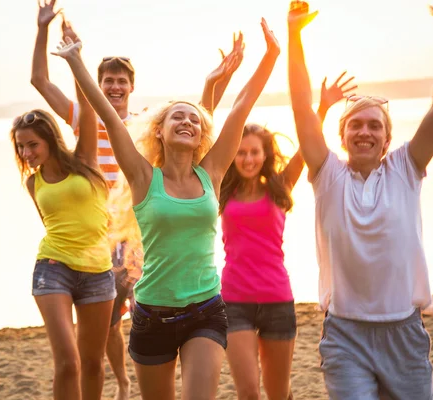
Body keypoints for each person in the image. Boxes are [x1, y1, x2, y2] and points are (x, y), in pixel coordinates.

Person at [51, 18, 280, 400]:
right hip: (152, 313)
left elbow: (241, 107)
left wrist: (270, 56)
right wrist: (76, 61)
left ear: (200, 134)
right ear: (159, 129)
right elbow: (109, 117)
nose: (187, 120)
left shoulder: (213, 171)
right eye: (178, 115)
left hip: (205, 309)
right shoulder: (143, 177)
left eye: (194, 118)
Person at [287, 0, 433, 398]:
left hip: (403, 333)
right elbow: (302, 108)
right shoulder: (327, 174)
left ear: (388, 139)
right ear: (341, 135)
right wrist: (294, 35)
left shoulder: (406, 168)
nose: (364, 132)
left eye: (374, 126)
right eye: (355, 124)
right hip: (345, 335)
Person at [219, 74, 355, 400]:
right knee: (248, 391)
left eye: (254, 152)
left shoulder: (279, 188)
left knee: (279, 392)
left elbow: (306, 148)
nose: (248, 159)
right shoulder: (221, 189)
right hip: (234, 300)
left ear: (264, 154)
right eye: (241, 153)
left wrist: (321, 107)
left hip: (276, 299)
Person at [29, 3, 136, 397]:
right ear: (99, 83)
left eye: (121, 80)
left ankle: (124, 380)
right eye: (107, 80)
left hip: (129, 240)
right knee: (107, 325)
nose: (114, 87)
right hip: (90, 238)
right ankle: (122, 382)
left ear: (131, 86)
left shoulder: (142, 125)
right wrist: (44, 31)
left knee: (120, 323)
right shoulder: (82, 117)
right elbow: (40, 79)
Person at [11, 108, 114, 400]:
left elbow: (89, 113)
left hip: (98, 271)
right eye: (21, 146)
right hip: (53, 269)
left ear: (51, 140)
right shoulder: (34, 183)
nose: (26, 152)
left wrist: (74, 62)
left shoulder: (84, 161)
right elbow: (50, 224)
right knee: (69, 363)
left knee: (93, 364)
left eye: (32, 144)